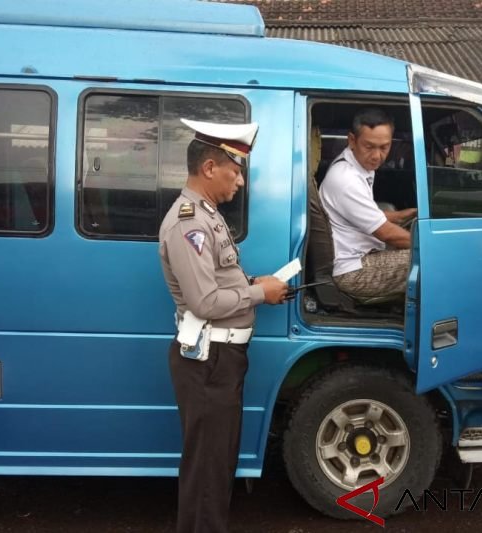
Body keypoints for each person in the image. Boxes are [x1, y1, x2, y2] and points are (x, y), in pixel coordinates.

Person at [158, 118, 288, 533]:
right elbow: (205, 301)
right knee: (208, 472)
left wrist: (255, 284)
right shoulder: (189, 223)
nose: (241, 182)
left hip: (220, 359)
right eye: (236, 171)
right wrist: (259, 294)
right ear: (210, 168)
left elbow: (218, 282)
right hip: (209, 361)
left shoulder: (207, 216)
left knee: (217, 465)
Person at [319, 108, 417, 299]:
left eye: (384, 147)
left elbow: (367, 214)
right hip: (353, 270)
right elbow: (387, 234)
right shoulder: (346, 179)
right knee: (432, 260)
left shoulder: (359, 165)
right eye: (369, 147)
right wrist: (431, 245)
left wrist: (404, 214)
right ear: (352, 140)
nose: (377, 156)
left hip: (362, 254)